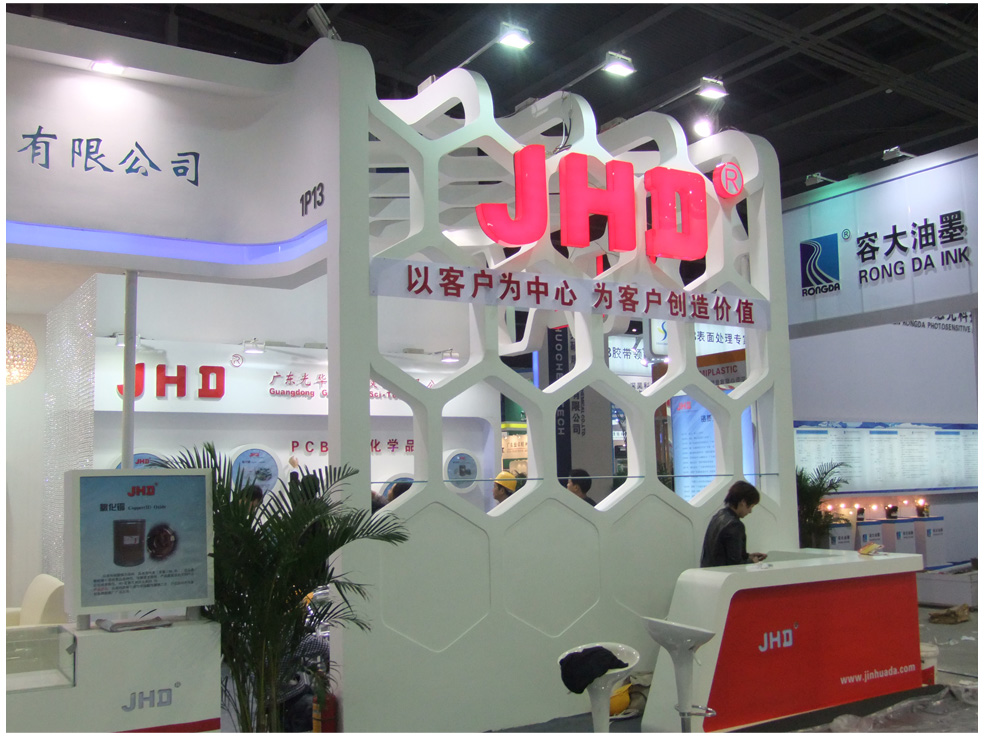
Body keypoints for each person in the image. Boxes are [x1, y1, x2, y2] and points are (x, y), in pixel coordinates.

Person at [700, 481, 767, 567]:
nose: (750, 511)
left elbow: (722, 554)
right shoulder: (734, 525)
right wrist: (752, 561)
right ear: (743, 502)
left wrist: (748, 556)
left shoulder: (718, 516)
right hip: (724, 574)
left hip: (709, 572)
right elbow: (735, 565)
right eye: (751, 506)